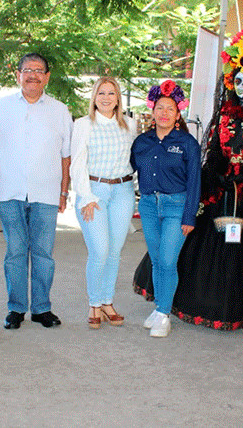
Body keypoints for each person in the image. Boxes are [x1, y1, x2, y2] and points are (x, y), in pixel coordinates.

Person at [135, 26, 243, 330]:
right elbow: (215, 144)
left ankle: (236, 305)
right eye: (239, 80)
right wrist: (215, 167)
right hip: (220, 182)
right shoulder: (224, 111)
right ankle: (174, 300)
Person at [0, 53, 73, 330]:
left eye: (39, 70)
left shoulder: (60, 111)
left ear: (47, 77)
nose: (33, 74)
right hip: (10, 194)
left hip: (46, 194)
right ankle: (16, 309)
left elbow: (66, 156)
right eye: (27, 70)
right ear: (17, 75)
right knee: (16, 252)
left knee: (43, 254)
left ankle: (42, 309)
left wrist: (64, 193)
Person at [131, 80, 200, 338]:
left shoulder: (187, 143)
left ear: (178, 113)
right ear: (152, 110)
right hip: (148, 205)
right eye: (160, 108)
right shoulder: (141, 142)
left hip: (176, 206)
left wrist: (189, 215)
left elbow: (195, 181)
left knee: (168, 261)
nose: (164, 113)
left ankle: (163, 313)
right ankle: (161, 308)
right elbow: (130, 169)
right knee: (158, 259)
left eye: (170, 109)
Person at [70, 77, 137, 329]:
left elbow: (135, 157)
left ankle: (108, 301)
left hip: (123, 190)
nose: (106, 98)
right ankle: (94, 303)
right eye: (101, 93)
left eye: (111, 93)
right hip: (94, 190)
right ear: (94, 97)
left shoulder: (129, 124)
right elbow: (77, 163)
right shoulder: (83, 124)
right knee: (99, 250)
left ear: (118, 97)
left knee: (115, 252)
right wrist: (85, 197)